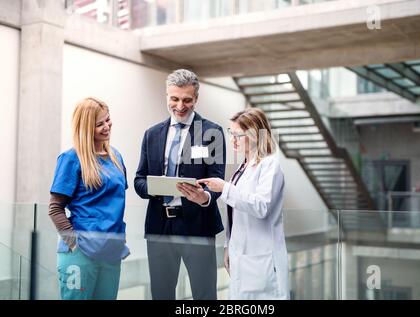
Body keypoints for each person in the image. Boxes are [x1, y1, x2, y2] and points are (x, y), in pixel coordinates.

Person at [134, 69, 226, 300]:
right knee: (161, 294)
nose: (180, 106)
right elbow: (139, 180)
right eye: (174, 99)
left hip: (198, 225)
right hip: (159, 226)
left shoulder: (211, 132)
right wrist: (154, 187)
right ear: (167, 96)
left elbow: (216, 178)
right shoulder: (151, 134)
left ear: (196, 98)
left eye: (187, 100)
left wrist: (204, 197)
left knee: (204, 295)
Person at [198, 107, 289, 300]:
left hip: (262, 260)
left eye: (237, 135)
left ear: (255, 135)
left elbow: (261, 206)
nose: (232, 140)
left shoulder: (270, 165)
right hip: (240, 256)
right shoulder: (243, 167)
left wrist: (225, 188)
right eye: (231, 133)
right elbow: (235, 213)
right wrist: (227, 247)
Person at [48, 97, 129, 300]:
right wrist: (74, 243)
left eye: (108, 120)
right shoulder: (71, 158)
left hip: (111, 250)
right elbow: (55, 209)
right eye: (99, 124)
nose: (107, 127)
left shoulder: (116, 157)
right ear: (85, 127)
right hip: (81, 252)